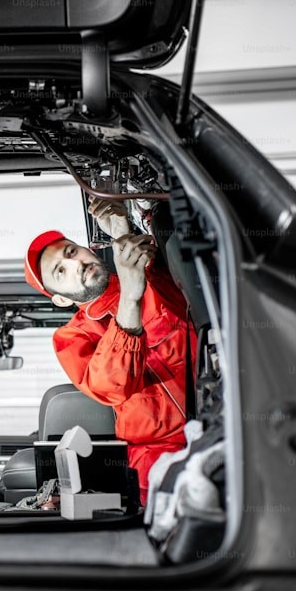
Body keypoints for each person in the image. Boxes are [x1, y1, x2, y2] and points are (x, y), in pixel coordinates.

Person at [23, 198, 194, 504]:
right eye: (61, 272)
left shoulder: (151, 268)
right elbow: (113, 386)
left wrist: (122, 230)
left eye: (72, 252)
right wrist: (130, 294)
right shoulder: (72, 336)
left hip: (226, 414)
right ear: (61, 300)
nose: (76, 264)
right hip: (155, 454)